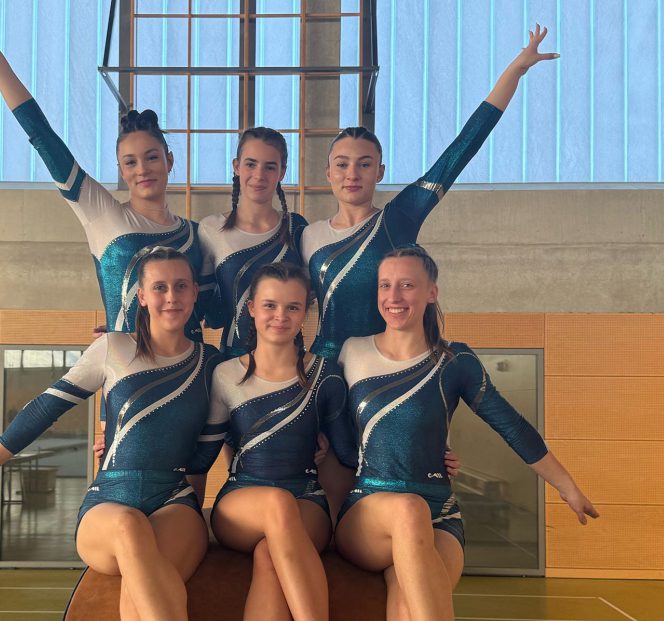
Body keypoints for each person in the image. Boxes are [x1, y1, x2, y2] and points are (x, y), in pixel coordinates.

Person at [330, 245, 599, 621]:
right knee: (408, 509)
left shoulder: (455, 361)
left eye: (407, 285)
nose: (393, 296)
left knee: (408, 604)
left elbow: (511, 425)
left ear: (431, 292)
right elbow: (334, 429)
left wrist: (566, 485)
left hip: (440, 513)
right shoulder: (352, 352)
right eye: (385, 285)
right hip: (370, 508)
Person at [0, 248, 223, 621]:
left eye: (181, 286)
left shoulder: (210, 363)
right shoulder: (113, 347)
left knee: (141, 591)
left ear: (195, 292)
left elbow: (209, 448)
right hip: (108, 501)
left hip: (174, 501)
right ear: (142, 296)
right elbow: (45, 408)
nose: (171, 297)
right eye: (160, 287)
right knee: (129, 527)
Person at [0, 15, 210, 338]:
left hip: (190, 367)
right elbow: (43, 137)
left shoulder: (195, 235)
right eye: (130, 162)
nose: (143, 169)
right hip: (125, 368)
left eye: (152, 157)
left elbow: (210, 313)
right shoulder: (103, 214)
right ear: (121, 170)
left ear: (169, 160)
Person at [302, 24, 560, 360]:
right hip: (323, 367)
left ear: (380, 172)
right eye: (342, 164)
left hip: (383, 365)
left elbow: (462, 148)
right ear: (328, 173)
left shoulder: (399, 217)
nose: (352, 174)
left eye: (365, 164)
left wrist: (515, 71)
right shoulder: (308, 235)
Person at [208, 263, 346, 621]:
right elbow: (202, 448)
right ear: (252, 308)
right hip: (241, 500)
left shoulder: (326, 374)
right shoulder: (225, 374)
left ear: (305, 312)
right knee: (277, 503)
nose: (280, 316)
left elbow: (346, 454)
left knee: (270, 555)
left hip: (307, 500)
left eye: (292, 307)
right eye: (270, 305)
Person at [198, 129, 308, 358]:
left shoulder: (297, 228)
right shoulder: (211, 229)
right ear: (236, 166)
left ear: (282, 172)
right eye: (251, 164)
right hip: (233, 359)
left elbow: (310, 296)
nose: (259, 175)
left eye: (270, 167)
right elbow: (202, 308)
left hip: (288, 359)